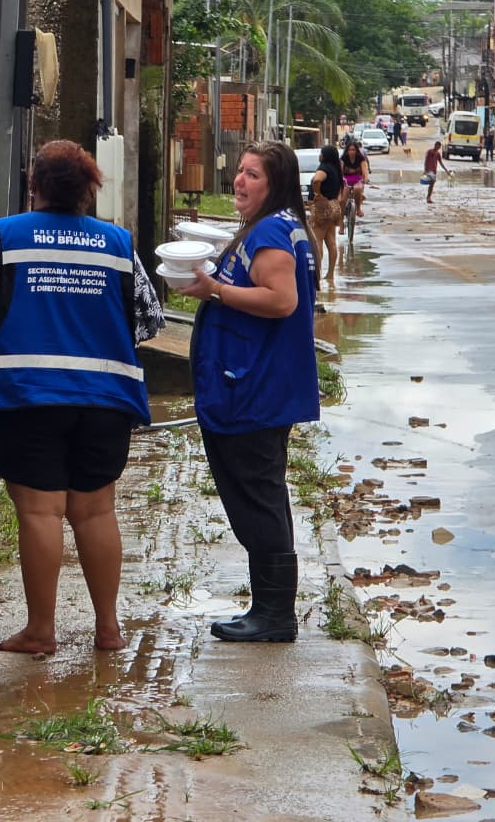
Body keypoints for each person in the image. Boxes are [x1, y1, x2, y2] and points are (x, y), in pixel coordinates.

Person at [0, 140, 163, 654]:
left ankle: (41, 631)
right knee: (95, 511)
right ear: (90, 190)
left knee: (40, 513)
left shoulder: (4, 237)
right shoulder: (118, 243)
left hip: (25, 395)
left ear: (32, 184)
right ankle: (108, 630)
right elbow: (148, 321)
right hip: (104, 397)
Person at [179, 141, 320, 642]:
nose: (240, 181)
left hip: (255, 389)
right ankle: (268, 607)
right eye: (239, 171)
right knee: (260, 494)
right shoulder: (270, 228)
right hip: (252, 385)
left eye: (252, 175)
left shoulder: (272, 235)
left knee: (257, 497)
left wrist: (214, 290)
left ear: (274, 184)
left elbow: (280, 301)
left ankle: (275, 615)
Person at [307, 143, 345, 282]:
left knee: (317, 241)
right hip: (334, 206)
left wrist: (317, 194)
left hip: (323, 207)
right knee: (331, 242)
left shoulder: (323, 168)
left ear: (324, 155)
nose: (319, 155)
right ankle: (330, 275)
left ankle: (316, 275)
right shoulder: (336, 169)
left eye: (321, 153)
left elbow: (317, 179)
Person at [339, 138, 369, 230]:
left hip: (357, 179)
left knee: (358, 189)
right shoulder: (343, 158)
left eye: (354, 150)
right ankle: (341, 224)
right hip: (346, 180)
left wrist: (366, 178)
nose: (352, 152)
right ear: (347, 151)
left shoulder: (361, 158)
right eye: (350, 150)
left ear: (357, 150)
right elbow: (340, 171)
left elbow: (364, 171)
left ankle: (358, 208)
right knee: (342, 201)